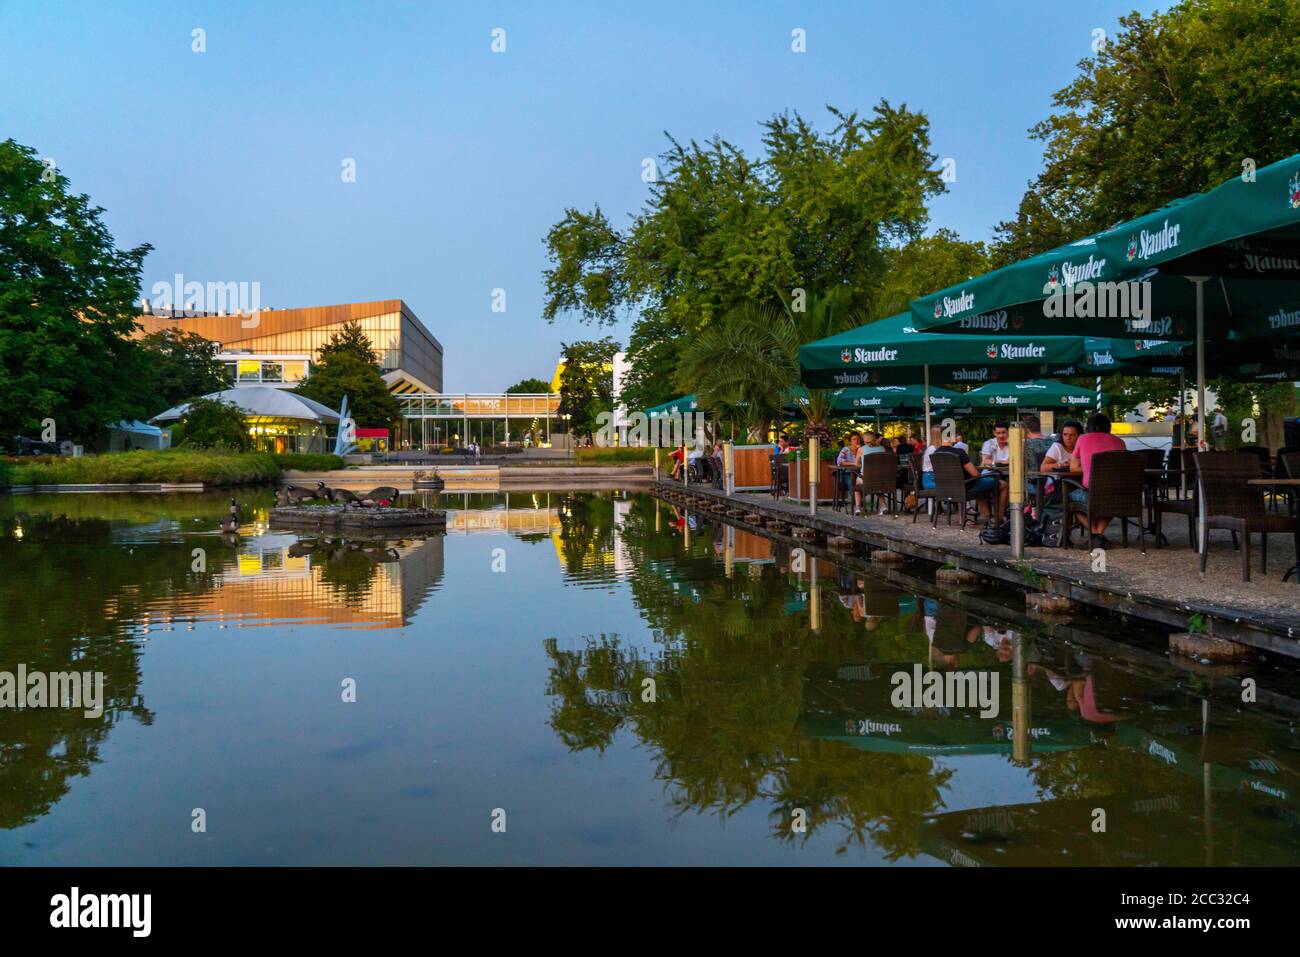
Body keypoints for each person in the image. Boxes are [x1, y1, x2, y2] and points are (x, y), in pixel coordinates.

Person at [1068, 412, 1127, 545]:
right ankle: (1099, 535)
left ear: (1089, 427)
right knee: (1111, 503)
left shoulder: (1083, 439)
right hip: (1118, 495)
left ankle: (1095, 534)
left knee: (1069, 498)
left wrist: (1090, 467)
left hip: (1093, 493)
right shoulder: (1120, 441)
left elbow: (1073, 468)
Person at [836, 431, 865, 513]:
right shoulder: (846, 449)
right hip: (846, 474)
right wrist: (854, 463)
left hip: (859, 474)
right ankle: (857, 506)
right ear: (850, 441)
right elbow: (839, 461)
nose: (856, 441)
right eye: (854, 439)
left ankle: (858, 504)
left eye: (858, 439)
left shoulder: (862, 449)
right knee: (852, 482)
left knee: (865, 483)